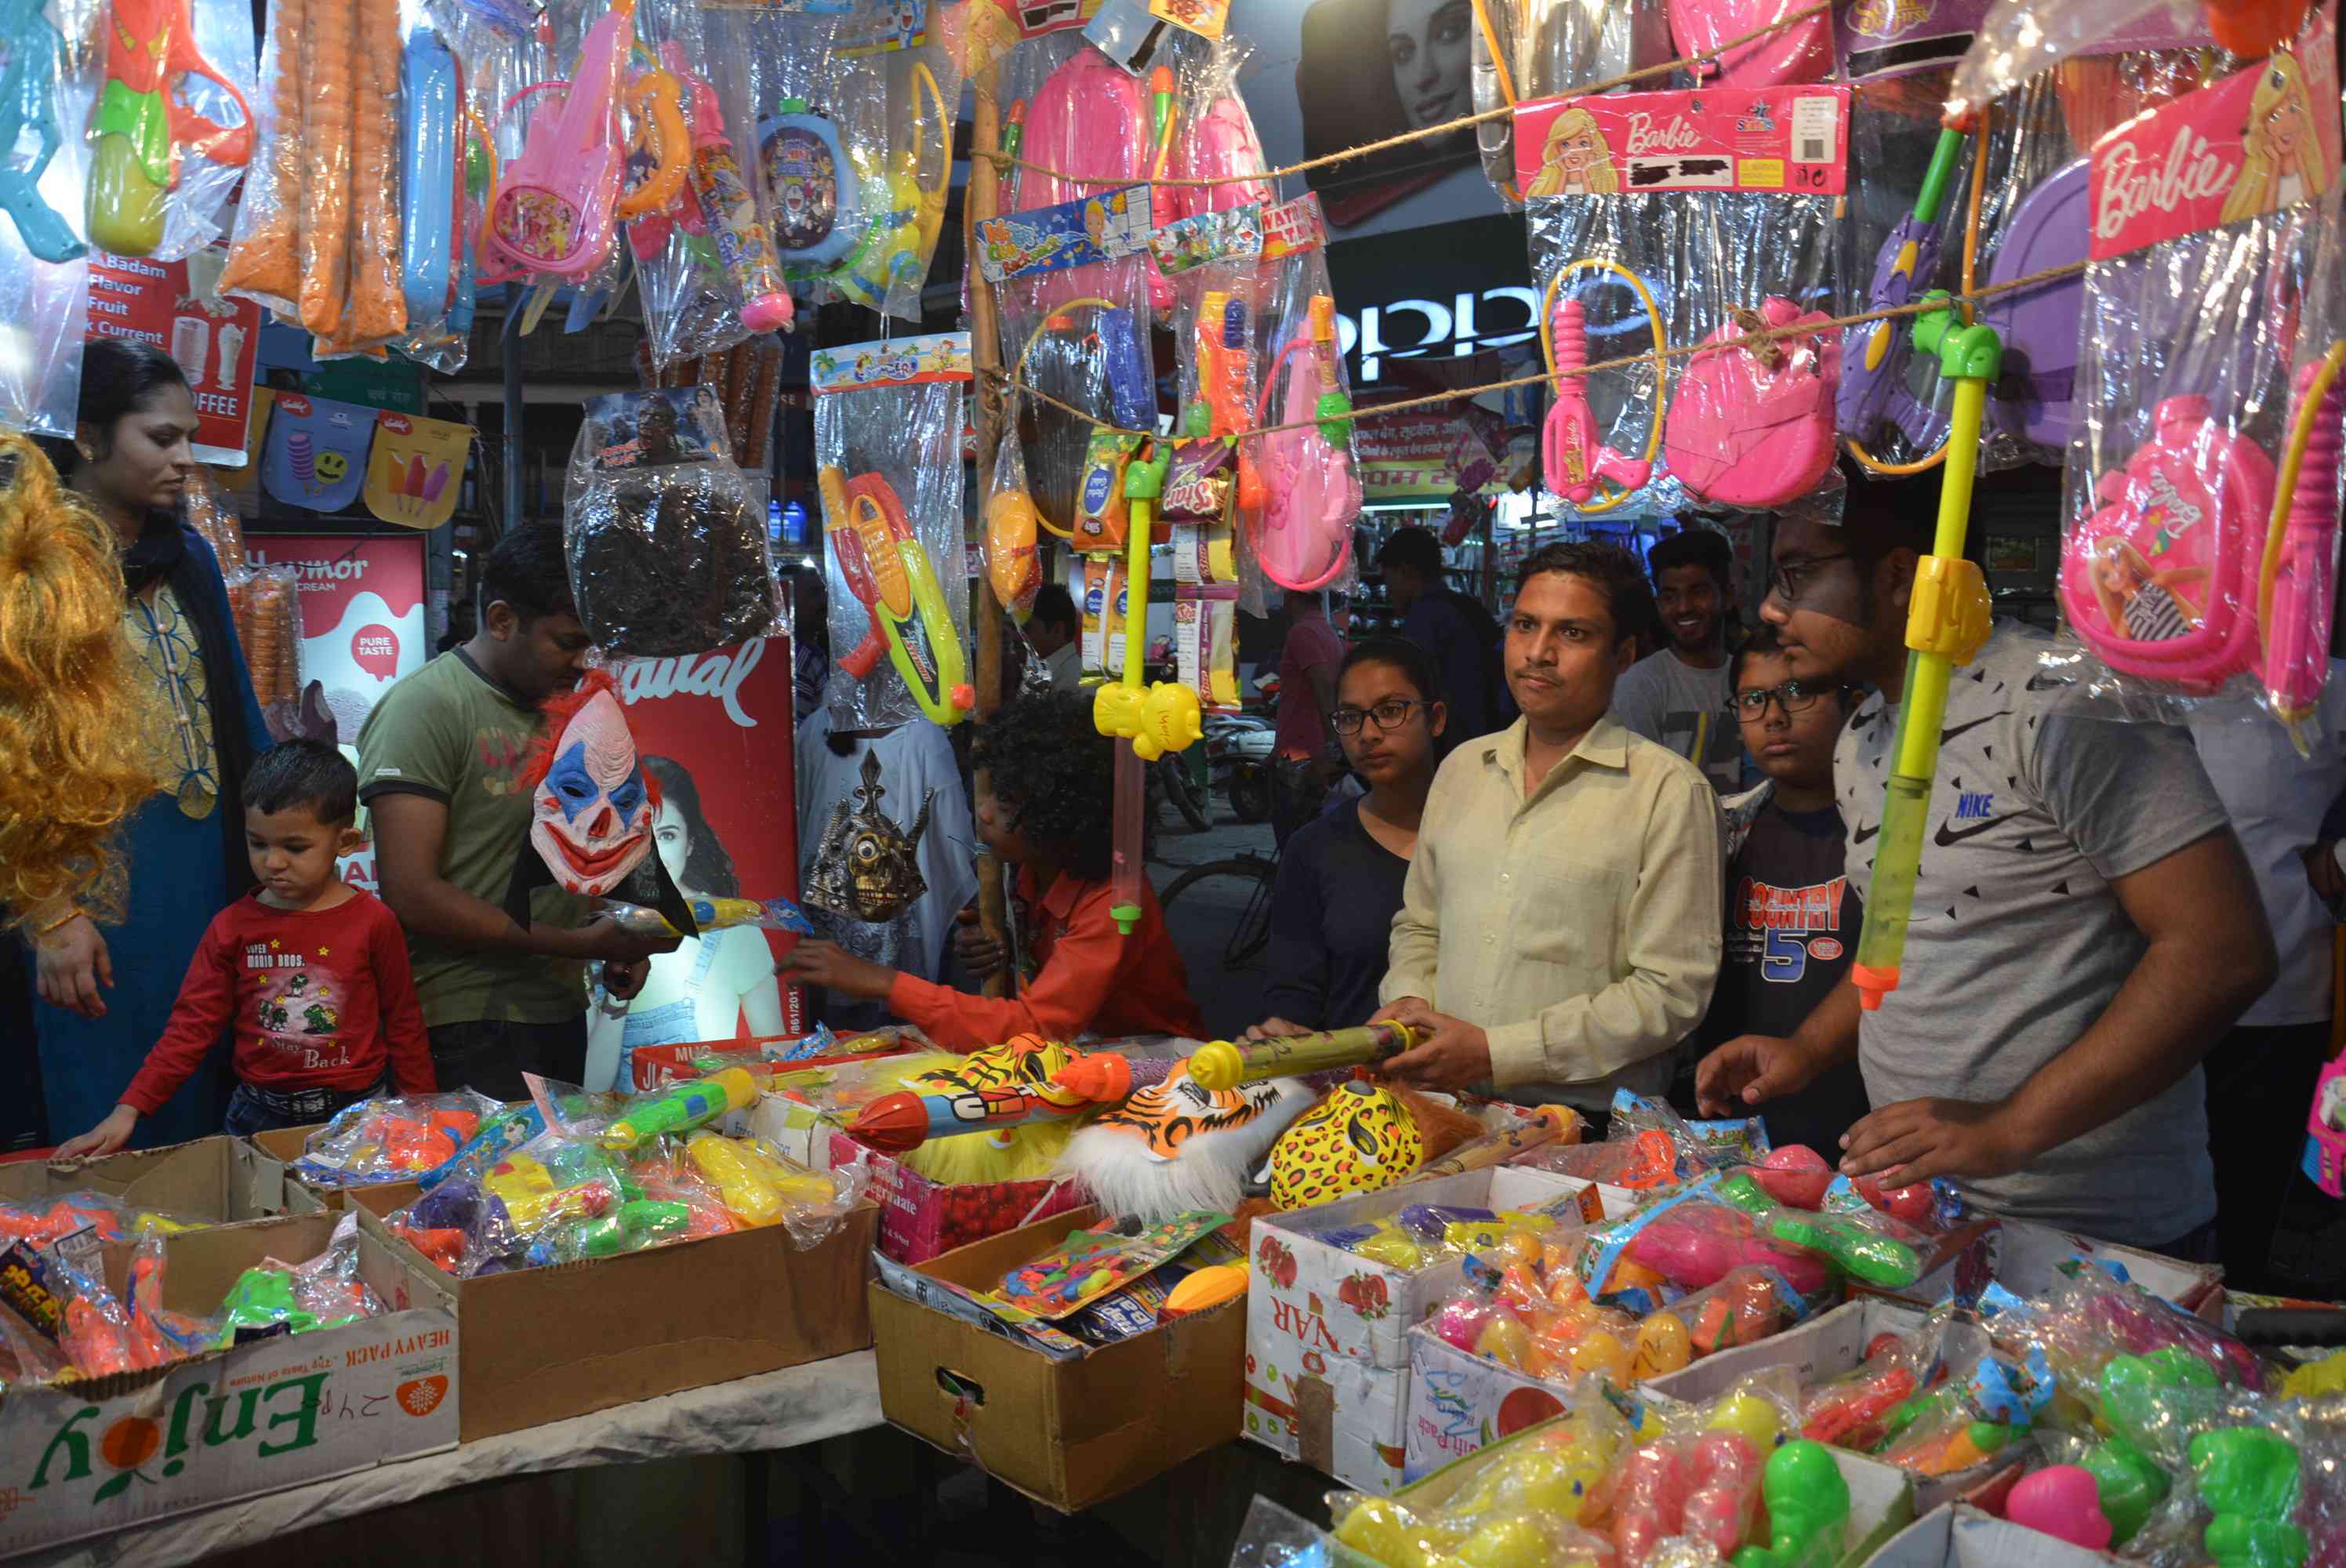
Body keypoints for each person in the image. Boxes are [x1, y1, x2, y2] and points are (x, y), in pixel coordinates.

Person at [1695, 474, 2275, 1254]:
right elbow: (1903, 932)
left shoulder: (2062, 702)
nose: (1771, 607)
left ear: (1900, 576)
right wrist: (1808, 1047)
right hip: (1925, 1213)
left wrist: (2009, 1127)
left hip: (2096, 1231)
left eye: (1798, 575)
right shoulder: (1863, 732)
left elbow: (2221, 951)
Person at [1373, 541, 1723, 1119]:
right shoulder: (1463, 768)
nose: (1538, 653)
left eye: (1574, 634)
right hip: (1441, 1106)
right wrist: (1409, 1001)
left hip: (1581, 1125)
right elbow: (1421, 926)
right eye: (1525, 626)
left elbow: (1671, 992)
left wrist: (1496, 1053)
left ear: (1623, 655)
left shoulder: (1668, 793)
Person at [24, 339, 271, 1149]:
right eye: (162, 439)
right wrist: (50, 912)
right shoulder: (29, 570)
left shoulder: (188, 555)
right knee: (96, 1105)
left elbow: (237, 713)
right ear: (90, 438)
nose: (185, 460)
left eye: (189, 436)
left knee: (197, 1085)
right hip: (92, 885)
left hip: (202, 875)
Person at [358, 524, 674, 1098]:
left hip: (557, 1005)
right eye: (566, 641)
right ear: (502, 620)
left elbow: (614, 838)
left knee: (556, 1185)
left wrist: (631, 929)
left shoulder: (576, 709)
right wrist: (571, 943)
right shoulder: (425, 707)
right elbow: (410, 891)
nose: (583, 662)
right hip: (463, 1014)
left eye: (592, 645)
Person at [56, 742, 436, 1156]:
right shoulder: (231, 927)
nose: (273, 862)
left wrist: (421, 1112)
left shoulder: (373, 922)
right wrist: (129, 1109)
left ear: (345, 841)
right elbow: (190, 1029)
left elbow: (404, 1023)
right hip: (258, 1119)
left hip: (358, 1116)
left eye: (294, 847)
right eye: (258, 844)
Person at [781, 691, 1204, 1047]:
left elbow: (1036, 1029)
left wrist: (884, 982)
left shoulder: (1112, 905)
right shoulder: (1030, 870)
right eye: (989, 795)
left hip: (1150, 1062)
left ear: (1059, 821)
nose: (981, 813)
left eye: (1003, 807)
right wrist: (1000, 947)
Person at [2190, 668, 2346, 1290]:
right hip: (2122, 993)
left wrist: (2337, 862)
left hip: (2268, 1006)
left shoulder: (2318, 683)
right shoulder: (2129, 677)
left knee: (2238, 1228)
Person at [1694, 626, 1870, 1154]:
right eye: (1753, 699)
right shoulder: (1720, 830)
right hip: (1734, 1121)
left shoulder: (1889, 834)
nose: (1774, 715)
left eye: (1797, 692)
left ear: (1852, 704)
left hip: (1857, 1124)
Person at [1251, 639, 1447, 1037]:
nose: (1368, 734)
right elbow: (1294, 993)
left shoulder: (1492, 835)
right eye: (1350, 718)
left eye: (1390, 711)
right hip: (1357, 1091)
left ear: (1436, 718)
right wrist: (1284, 1034)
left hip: (1478, 1084)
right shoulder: (1314, 850)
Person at [585, 756, 789, 1087]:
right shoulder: (594, 933)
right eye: (637, 835)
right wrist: (616, 996)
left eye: (667, 836)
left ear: (690, 843)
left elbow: (776, 1058)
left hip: (713, 1129)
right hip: (628, 1133)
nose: (650, 854)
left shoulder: (733, 931)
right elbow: (593, 1087)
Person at [791, 706, 979, 1033]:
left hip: (873, 928)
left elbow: (951, 847)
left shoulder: (919, 736)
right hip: (840, 923)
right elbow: (953, 843)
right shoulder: (815, 732)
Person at [1611, 527, 1745, 793]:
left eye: (1698, 592)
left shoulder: (1749, 677)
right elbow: (1637, 790)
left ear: (1727, 597)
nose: (1683, 607)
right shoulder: (1640, 685)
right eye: (1670, 597)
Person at [1377, 526, 1512, 749]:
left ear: (1405, 571)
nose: (1388, 590)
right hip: (1488, 735)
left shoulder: (1425, 617)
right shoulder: (1467, 605)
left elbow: (1416, 687)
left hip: (1452, 740)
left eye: (1388, 580)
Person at [1272, 589, 1346, 848]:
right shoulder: (1326, 631)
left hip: (1302, 758)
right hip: (1309, 752)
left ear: (1291, 598)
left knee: (1292, 849)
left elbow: (1322, 685)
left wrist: (1331, 744)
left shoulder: (1301, 632)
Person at [1023, 583, 1084, 693]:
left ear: (1057, 630)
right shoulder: (1049, 671)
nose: (1023, 637)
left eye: (1028, 629)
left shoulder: (1071, 680)